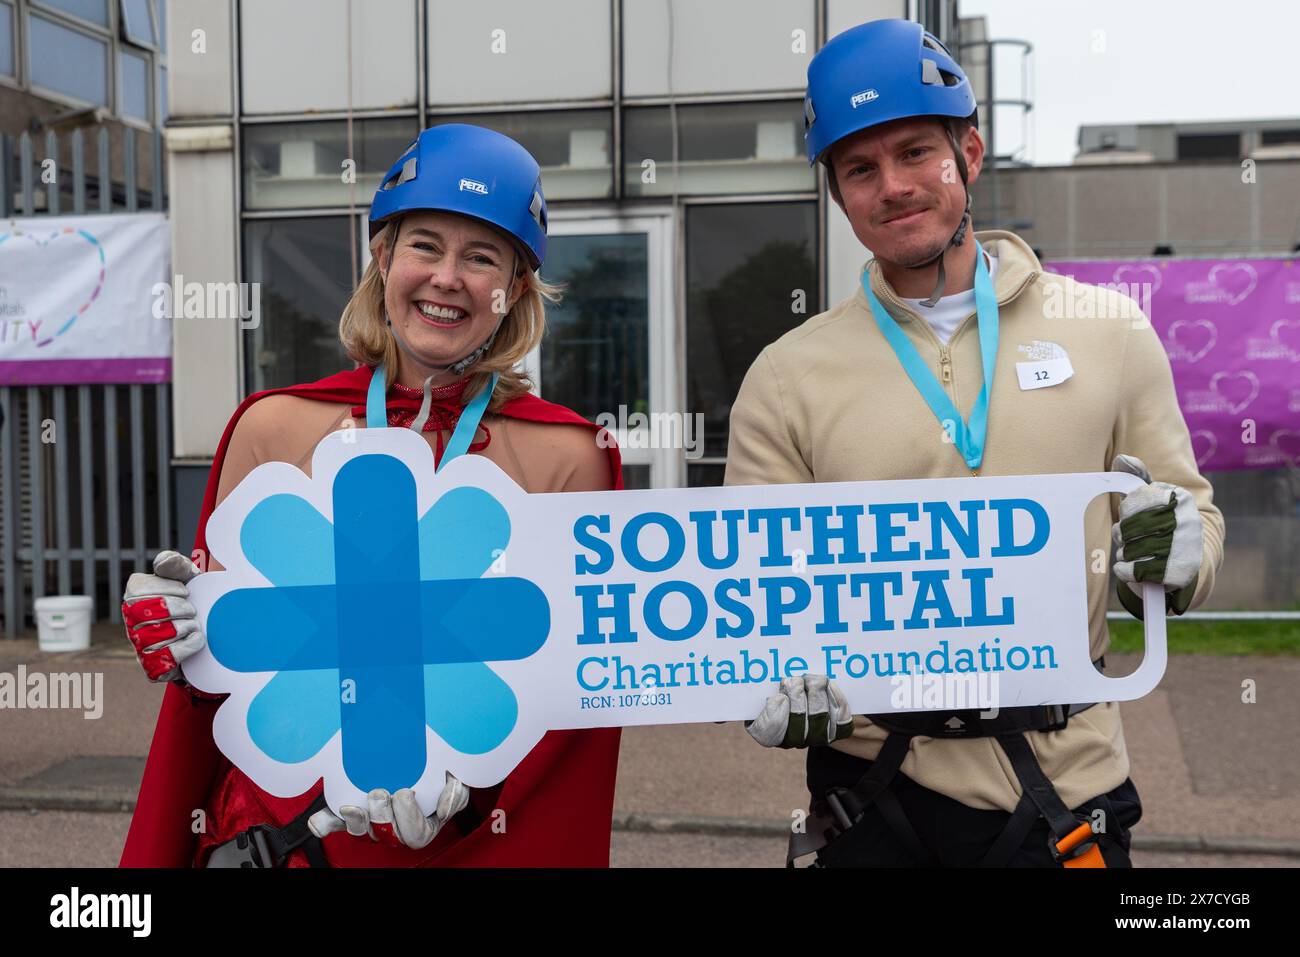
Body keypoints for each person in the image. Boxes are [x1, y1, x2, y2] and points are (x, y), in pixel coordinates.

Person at [727, 19, 1225, 867]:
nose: (892, 186)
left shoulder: (1107, 331)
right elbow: (752, 590)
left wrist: (1179, 552)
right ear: (839, 194)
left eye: (917, 152)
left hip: (1068, 794)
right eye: (860, 169)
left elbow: (1194, 520)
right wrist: (759, 682)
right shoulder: (786, 374)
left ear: (971, 152)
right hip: (871, 799)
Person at [119, 124, 624, 867]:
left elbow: (576, 710)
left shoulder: (571, 456)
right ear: (383, 257)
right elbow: (222, 676)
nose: (447, 277)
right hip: (283, 842)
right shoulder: (274, 427)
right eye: (424, 244)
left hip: (462, 845)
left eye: (480, 256)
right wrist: (175, 631)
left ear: (513, 288)